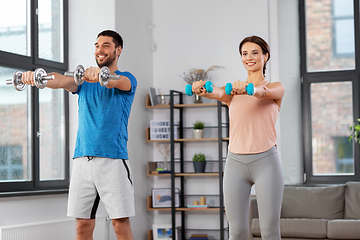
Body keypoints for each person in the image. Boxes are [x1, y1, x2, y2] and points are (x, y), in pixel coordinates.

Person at [21, 30, 137, 240]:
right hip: (82, 160)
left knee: (120, 224)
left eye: (106, 46)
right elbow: (58, 80)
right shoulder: (81, 83)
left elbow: (114, 81)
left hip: (112, 159)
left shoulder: (127, 79)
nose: (99, 50)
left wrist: (99, 76)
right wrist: (35, 77)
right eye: (96, 46)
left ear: (118, 50)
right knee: (82, 225)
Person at [192, 35, 285, 240]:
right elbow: (216, 92)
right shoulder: (232, 92)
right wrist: (202, 87)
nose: (249, 57)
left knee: (269, 231)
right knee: (237, 232)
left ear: (265, 56)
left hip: (266, 162)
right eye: (244, 54)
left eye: (254, 52)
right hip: (235, 163)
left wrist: (249, 88)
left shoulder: (276, 88)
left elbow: (263, 91)